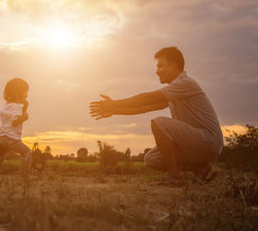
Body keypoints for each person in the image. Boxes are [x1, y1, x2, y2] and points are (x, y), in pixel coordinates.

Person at [89, 47, 223, 183]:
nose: (157, 71)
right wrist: (115, 111)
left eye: (160, 66)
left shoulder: (186, 83)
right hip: (195, 143)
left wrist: (114, 104)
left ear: (174, 65)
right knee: (152, 159)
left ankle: (174, 176)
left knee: (159, 123)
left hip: (208, 141)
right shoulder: (174, 91)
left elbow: (148, 98)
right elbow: (144, 107)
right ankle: (199, 168)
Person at [0, 78, 31, 179]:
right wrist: (25, 117)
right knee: (26, 152)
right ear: (18, 93)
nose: (27, 95)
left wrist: (25, 107)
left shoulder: (7, 106)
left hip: (2, 138)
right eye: (25, 92)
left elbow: (15, 116)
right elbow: (15, 122)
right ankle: (24, 176)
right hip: (11, 138)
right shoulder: (15, 107)